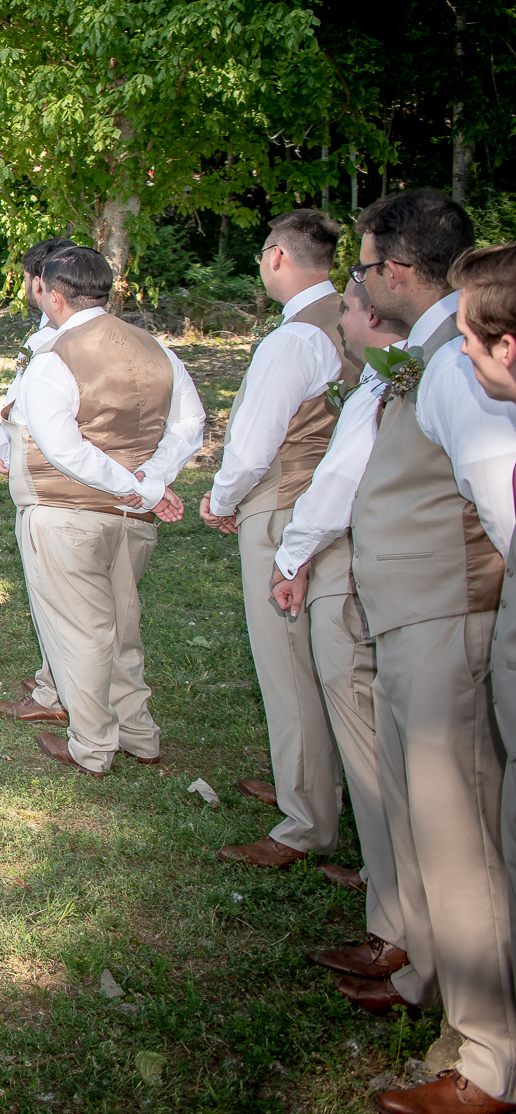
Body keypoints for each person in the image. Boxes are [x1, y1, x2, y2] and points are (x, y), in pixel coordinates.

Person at [288, 193, 516, 1113]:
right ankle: (428, 978)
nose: (360, 280)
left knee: (459, 836)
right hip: (405, 613)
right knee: (425, 827)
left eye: (366, 265)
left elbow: (497, 491)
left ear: (393, 272)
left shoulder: (456, 369)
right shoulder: (424, 356)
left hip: (443, 618)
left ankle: (491, 1055)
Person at [195, 211, 355, 870]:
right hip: (342, 505)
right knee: (336, 659)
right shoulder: (358, 319)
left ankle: (305, 819)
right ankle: (317, 785)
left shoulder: (292, 341)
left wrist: (221, 497)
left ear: (277, 257)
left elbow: (254, 443)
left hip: (287, 506)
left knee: (288, 665)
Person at [14, 245, 203, 776]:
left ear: (54, 294)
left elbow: (65, 449)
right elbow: (190, 423)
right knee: (123, 624)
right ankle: (139, 731)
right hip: (131, 519)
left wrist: (139, 487)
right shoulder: (157, 349)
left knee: (83, 631)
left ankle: (93, 743)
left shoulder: (56, 358)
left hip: (66, 512)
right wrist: (153, 477)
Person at [267, 279, 411, 968]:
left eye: (349, 310)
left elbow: (337, 484)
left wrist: (292, 555)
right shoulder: (404, 373)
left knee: (365, 726)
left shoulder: (385, 387)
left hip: (363, 566)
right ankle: (392, 877)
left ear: (374, 315)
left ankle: (397, 913)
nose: (341, 321)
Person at [0, 237, 76, 724]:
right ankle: (54, 676)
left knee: (52, 590)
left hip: (50, 481)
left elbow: (26, 405)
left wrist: (10, 444)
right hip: (39, 473)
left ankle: (55, 694)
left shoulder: (53, 341)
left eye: (25, 278)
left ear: (41, 282)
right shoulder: (47, 332)